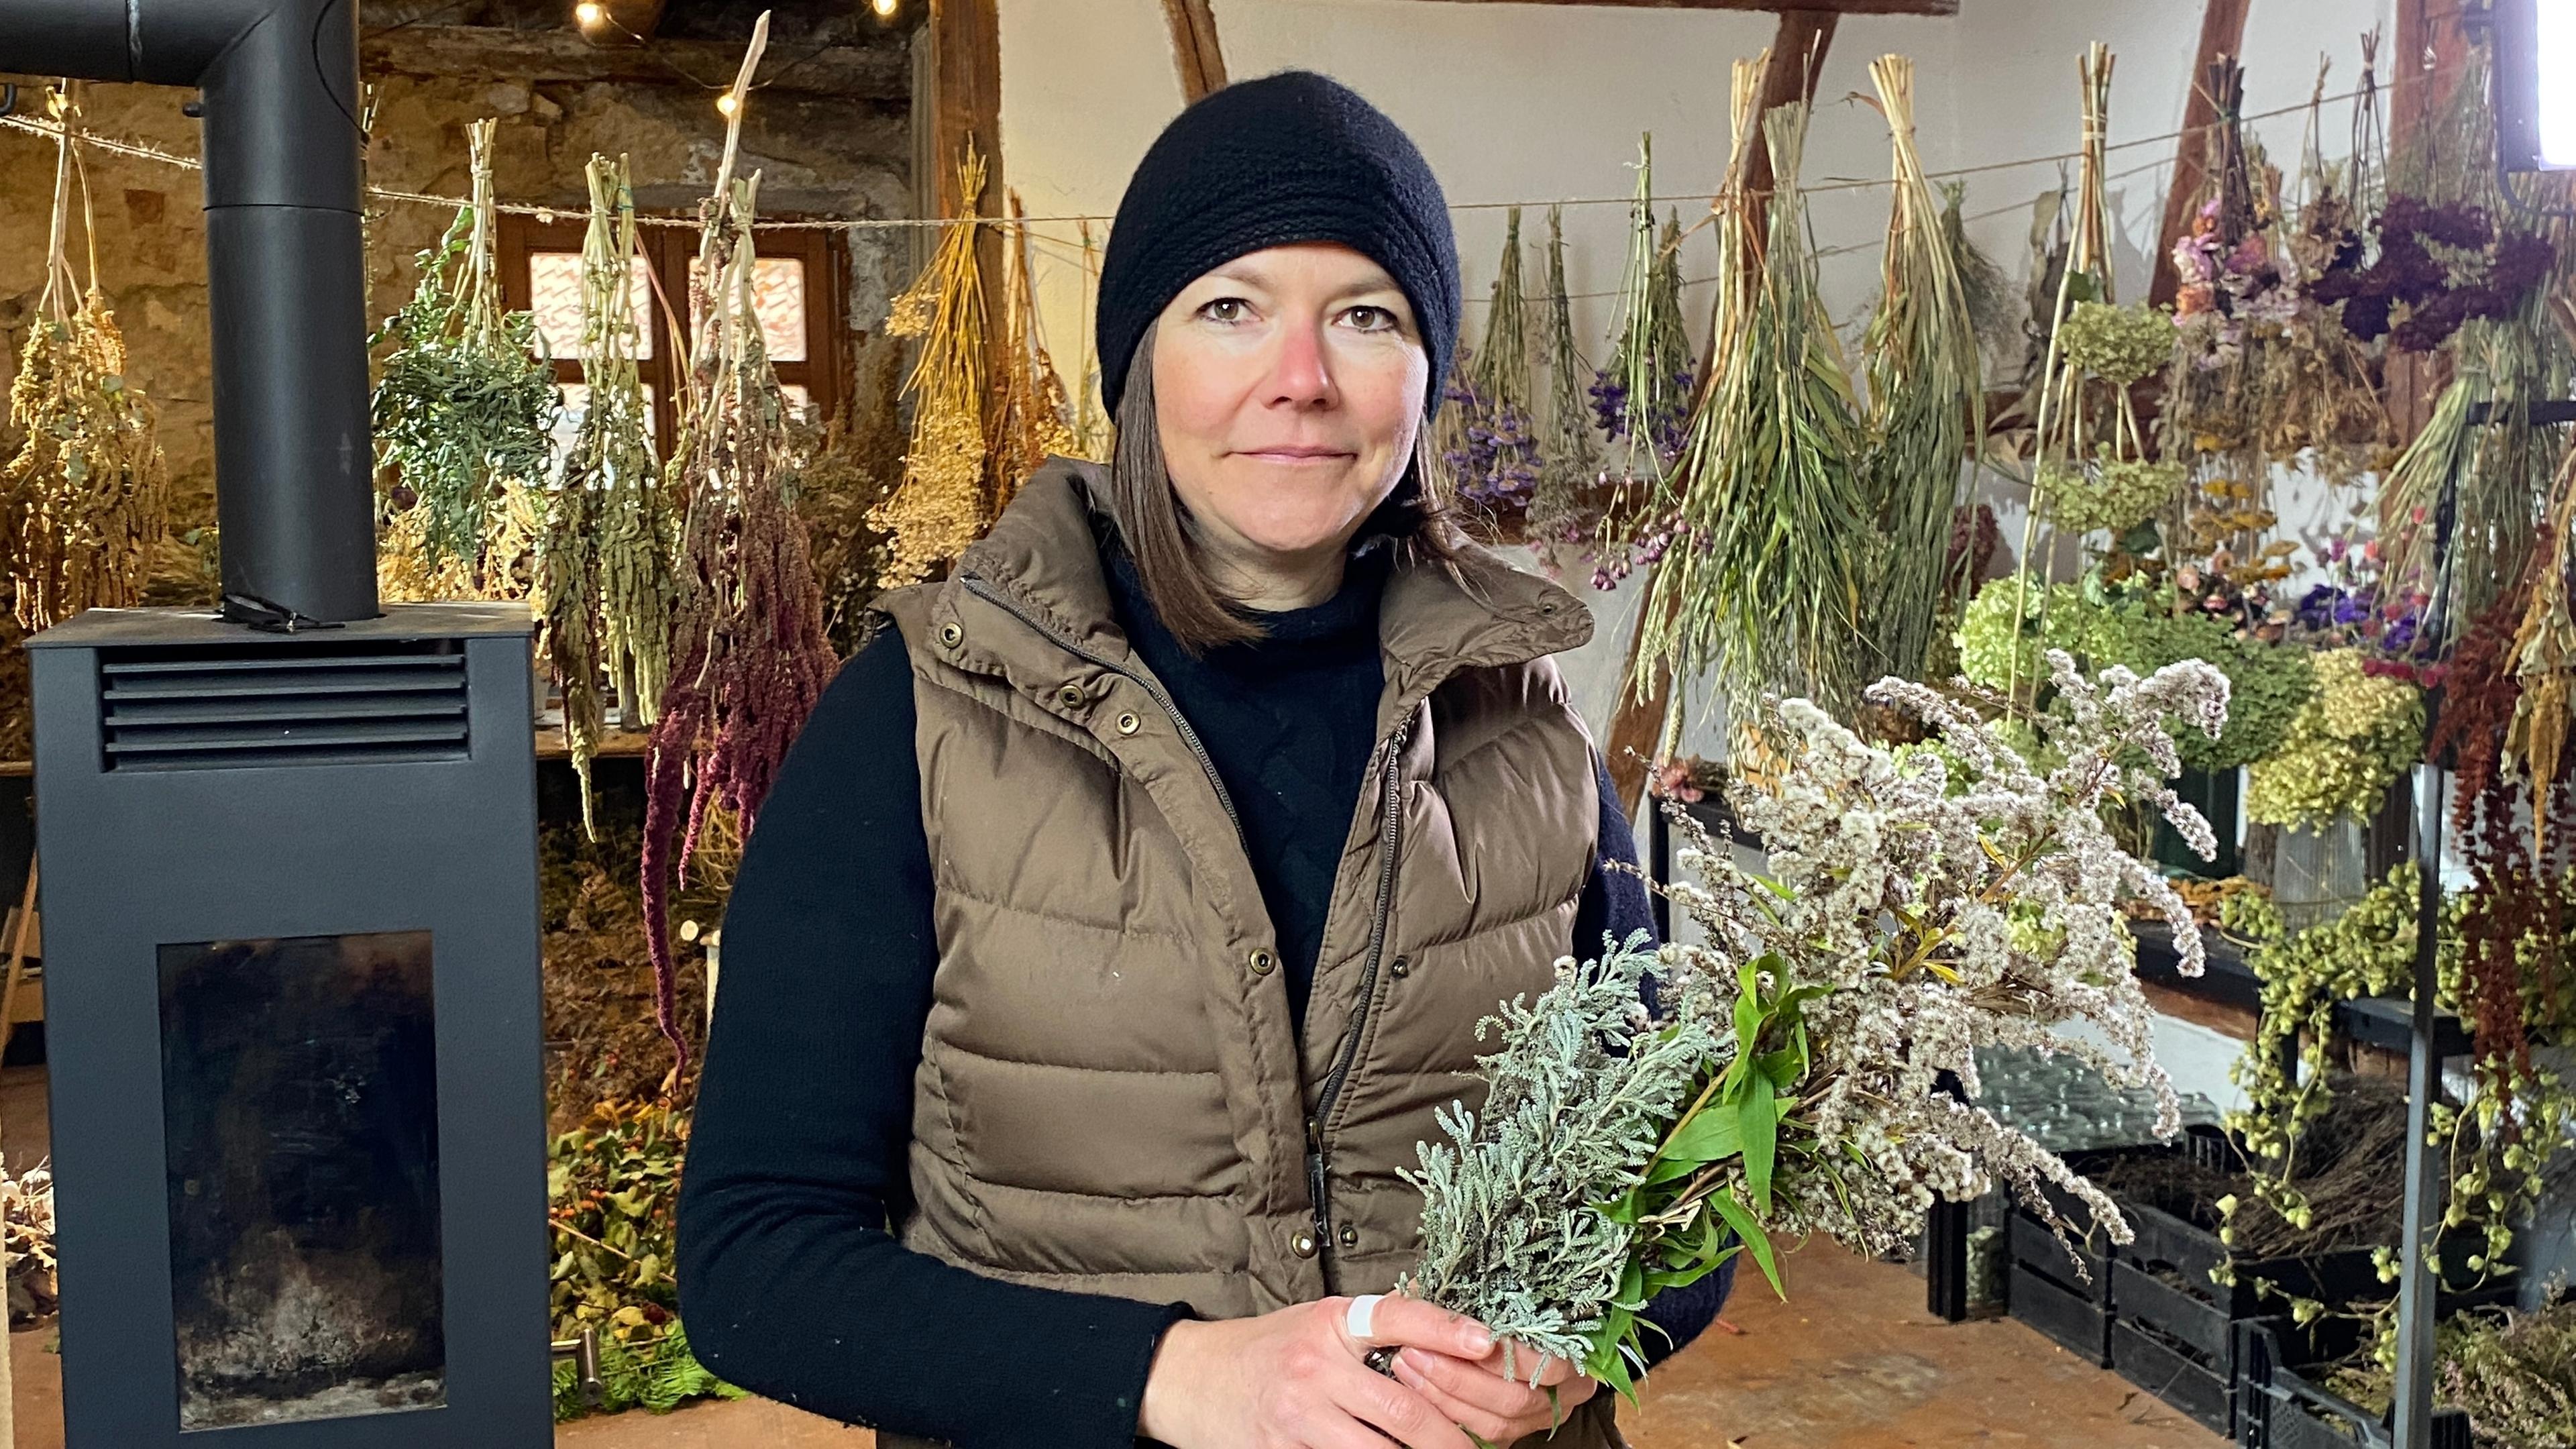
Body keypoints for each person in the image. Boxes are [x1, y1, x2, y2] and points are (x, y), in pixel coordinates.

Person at [676, 70, 1726, 1449]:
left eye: (1366, 316)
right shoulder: (921, 719)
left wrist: (1594, 1335)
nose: (1300, 380)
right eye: (1230, 308)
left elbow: (1674, 1184)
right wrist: (1176, 1377)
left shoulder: (1524, 726)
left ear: (1426, 374)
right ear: (1140, 361)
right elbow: (754, 1262)